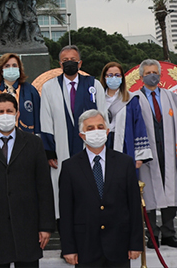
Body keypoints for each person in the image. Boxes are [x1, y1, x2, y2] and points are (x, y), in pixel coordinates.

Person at [0, 93, 55, 268]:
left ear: (17, 114)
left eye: (9, 111)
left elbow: (44, 187)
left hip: (27, 228)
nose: (5, 115)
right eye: (0, 112)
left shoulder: (34, 143)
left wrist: (45, 226)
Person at [59, 110, 143, 267]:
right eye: (90, 128)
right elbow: (66, 211)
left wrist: (136, 243)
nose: (96, 131)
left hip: (119, 247)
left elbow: (134, 206)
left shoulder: (124, 163)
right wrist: (68, 248)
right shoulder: (70, 167)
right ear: (82, 135)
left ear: (107, 131)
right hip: (85, 247)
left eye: (100, 127)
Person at [40, 45, 106, 218]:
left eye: (73, 60)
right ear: (60, 64)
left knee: (91, 187)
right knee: (63, 190)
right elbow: (45, 120)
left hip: (90, 148)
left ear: (80, 63)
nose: (69, 63)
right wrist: (49, 151)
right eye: (65, 61)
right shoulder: (49, 87)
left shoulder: (94, 85)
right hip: (60, 150)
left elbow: (103, 118)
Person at [131, 59, 177, 249]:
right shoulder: (134, 99)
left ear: (161, 75)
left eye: (155, 72)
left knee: (170, 190)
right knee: (148, 193)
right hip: (147, 154)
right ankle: (152, 234)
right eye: (147, 73)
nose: (151, 75)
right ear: (141, 77)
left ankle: (169, 233)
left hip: (170, 151)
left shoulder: (172, 98)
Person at [99, 62, 152, 168]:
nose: (113, 78)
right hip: (102, 142)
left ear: (122, 78)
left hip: (125, 144)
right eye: (110, 75)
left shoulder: (131, 99)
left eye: (117, 75)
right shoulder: (98, 99)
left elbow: (139, 126)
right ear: (104, 77)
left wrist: (140, 156)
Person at [0, 53, 41, 134]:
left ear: (19, 69)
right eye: (7, 66)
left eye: (14, 65)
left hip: (25, 140)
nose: (11, 68)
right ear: (1, 71)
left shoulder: (30, 91)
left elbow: (38, 119)